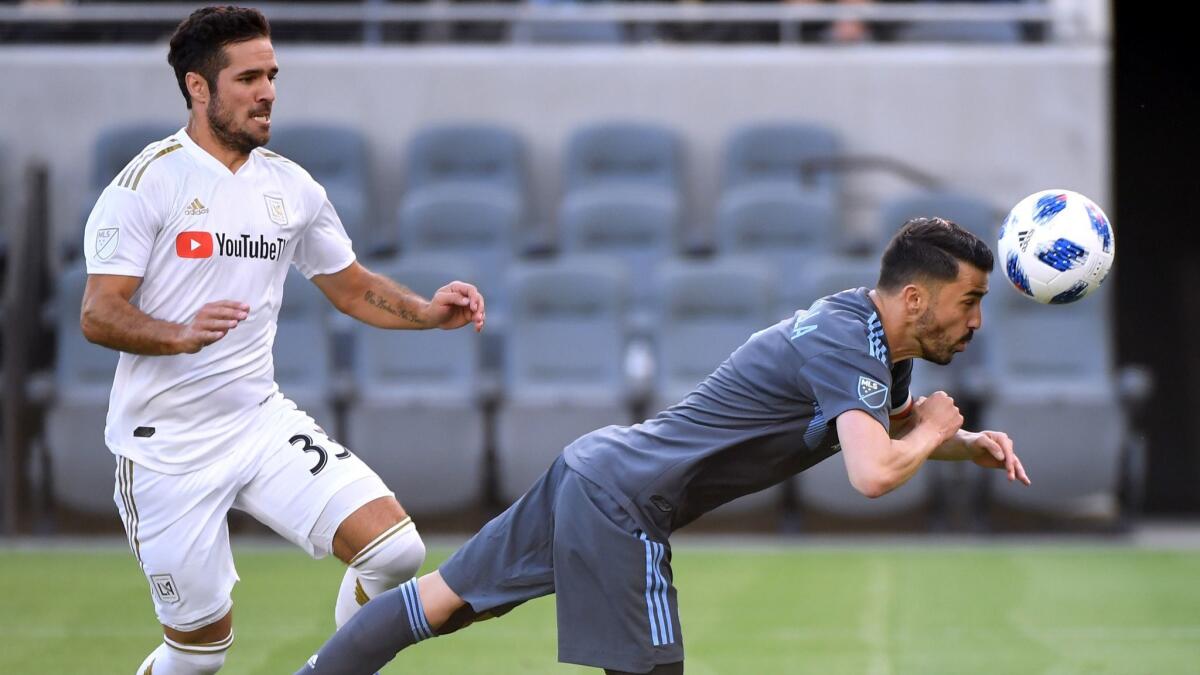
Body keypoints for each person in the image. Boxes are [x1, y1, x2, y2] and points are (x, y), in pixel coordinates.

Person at [295, 217, 1031, 675]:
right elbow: (874, 473)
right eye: (969, 301)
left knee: (446, 602)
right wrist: (936, 426)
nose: (975, 322)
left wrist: (963, 443)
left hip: (598, 469)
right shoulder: (851, 343)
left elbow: (887, 428)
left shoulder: (868, 340)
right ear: (915, 297)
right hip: (625, 500)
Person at [79, 7, 486, 674]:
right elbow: (99, 313)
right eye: (248, 78)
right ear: (198, 88)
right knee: (199, 654)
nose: (267, 90)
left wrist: (427, 311)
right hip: (164, 448)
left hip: (256, 421)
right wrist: (177, 334)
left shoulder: (291, 187)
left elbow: (351, 287)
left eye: (272, 74)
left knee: (395, 550)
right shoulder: (147, 182)